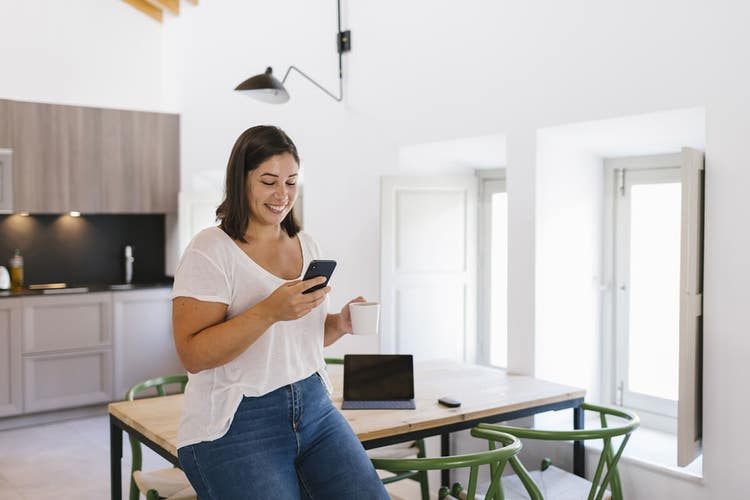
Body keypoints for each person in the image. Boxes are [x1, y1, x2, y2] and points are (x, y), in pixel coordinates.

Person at [171, 125, 389, 499]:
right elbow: (192, 354)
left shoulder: (305, 243)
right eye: (268, 181)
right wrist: (269, 310)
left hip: (315, 407)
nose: (282, 195)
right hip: (236, 422)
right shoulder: (210, 249)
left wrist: (339, 324)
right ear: (240, 182)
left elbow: (294, 342)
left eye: (291, 182)